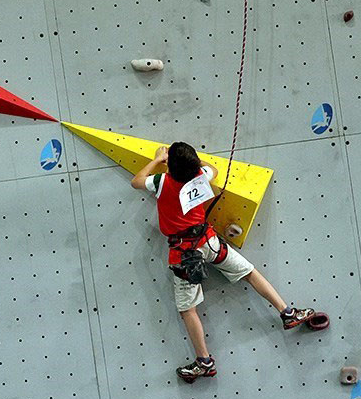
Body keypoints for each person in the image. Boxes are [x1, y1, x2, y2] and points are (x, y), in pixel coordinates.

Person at [131, 142, 316, 382]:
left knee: (188, 310)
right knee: (250, 272)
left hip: (184, 254)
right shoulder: (200, 176)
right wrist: (195, 165)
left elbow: (137, 181)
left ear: (171, 166)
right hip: (209, 243)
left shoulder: (162, 182)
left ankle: (204, 361)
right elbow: (214, 171)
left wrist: (158, 160)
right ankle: (288, 312)